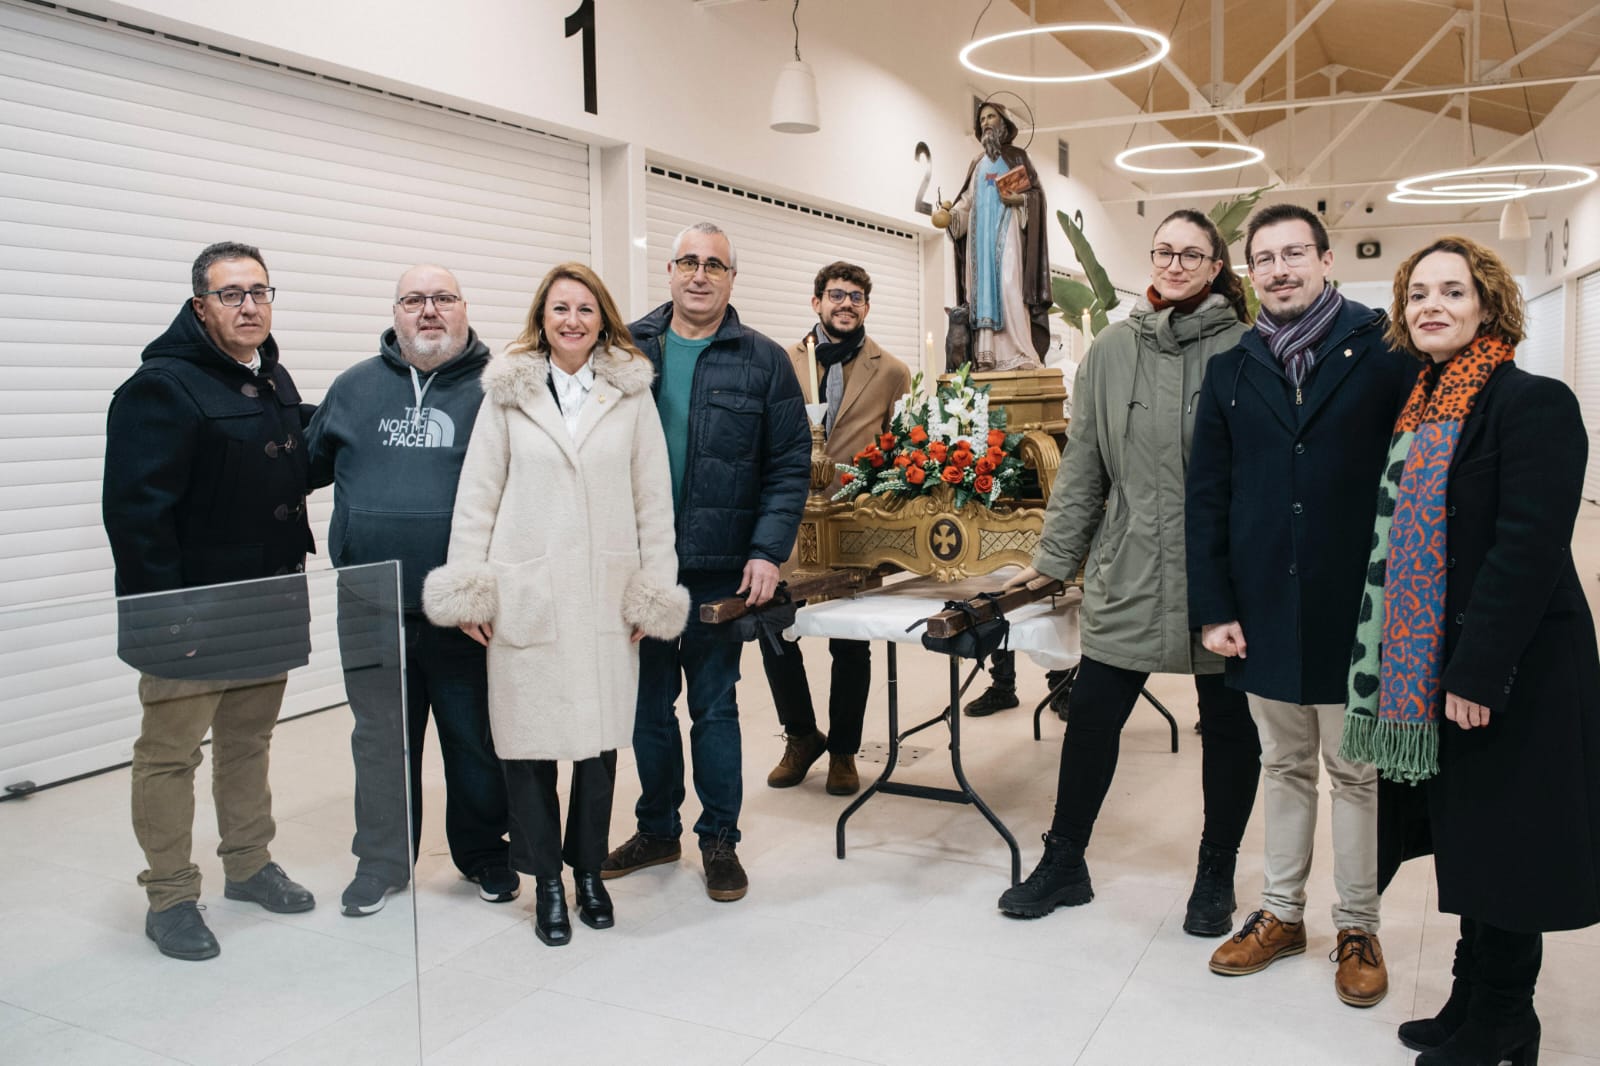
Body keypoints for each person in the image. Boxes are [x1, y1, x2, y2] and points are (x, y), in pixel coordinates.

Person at [1341, 236, 1600, 1064]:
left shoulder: (1534, 402)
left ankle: (1504, 1019)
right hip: (1443, 665)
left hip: (1516, 663)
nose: (1433, 306)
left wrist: (1479, 668)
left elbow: (1526, 548)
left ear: (1488, 303)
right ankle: (1471, 996)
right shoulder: (1425, 404)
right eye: (1419, 294)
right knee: (1477, 837)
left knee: (1511, 840)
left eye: (1453, 291)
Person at [992, 210, 1262, 940]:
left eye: (1192, 254)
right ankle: (1065, 859)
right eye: (1164, 251)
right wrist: (1051, 569)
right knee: (1093, 717)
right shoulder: (1111, 351)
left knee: (1231, 727)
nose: (1175, 265)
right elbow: (1083, 470)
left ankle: (1215, 872)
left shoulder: (1247, 351)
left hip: (1221, 577)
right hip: (1129, 564)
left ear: (1215, 267)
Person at [1186, 203, 1417, 1007]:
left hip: (1359, 606)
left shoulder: (1386, 352)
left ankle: (1358, 925)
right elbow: (1207, 495)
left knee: (1354, 771)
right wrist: (1213, 605)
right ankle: (1282, 915)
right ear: (1250, 271)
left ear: (1325, 260)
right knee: (1282, 764)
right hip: (1260, 604)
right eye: (1265, 258)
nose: (1280, 269)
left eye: (1295, 254)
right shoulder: (1232, 367)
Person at [422, 262, 687, 946]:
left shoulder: (630, 396)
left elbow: (652, 500)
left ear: (604, 320)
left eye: (586, 309)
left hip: (604, 592)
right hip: (527, 591)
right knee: (528, 746)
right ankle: (545, 881)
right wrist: (472, 583)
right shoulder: (507, 394)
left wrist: (649, 590)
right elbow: (477, 495)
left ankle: (589, 871)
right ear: (542, 317)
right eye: (560, 308)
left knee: (598, 747)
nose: (572, 320)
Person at [103, 241, 316, 961]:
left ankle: (249, 865)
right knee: (168, 756)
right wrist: (168, 617)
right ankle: (170, 896)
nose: (250, 305)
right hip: (194, 612)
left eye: (260, 291)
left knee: (247, 742)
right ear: (200, 307)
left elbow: (286, 461)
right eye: (232, 294)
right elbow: (136, 518)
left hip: (267, 600)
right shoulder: (161, 387)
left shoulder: (267, 375)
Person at [600, 221, 811, 902]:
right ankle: (657, 828)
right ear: (668, 270)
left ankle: (719, 840)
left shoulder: (764, 359)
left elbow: (788, 465)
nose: (699, 274)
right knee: (648, 709)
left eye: (714, 265)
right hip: (641, 565)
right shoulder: (625, 348)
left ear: (730, 279)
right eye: (688, 261)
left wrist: (767, 550)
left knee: (714, 707)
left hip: (722, 567)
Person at [306, 265, 516, 917]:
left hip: (462, 607)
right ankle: (382, 862)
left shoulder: (497, 388)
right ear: (396, 313)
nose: (429, 310)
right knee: (380, 738)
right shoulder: (353, 389)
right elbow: (302, 469)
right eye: (414, 300)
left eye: (443, 298)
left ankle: (485, 852)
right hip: (369, 604)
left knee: (472, 737)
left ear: (464, 309)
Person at [761, 261, 910, 796]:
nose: (845, 304)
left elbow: (903, 451)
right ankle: (801, 735)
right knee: (773, 627)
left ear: (867, 307)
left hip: (854, 523)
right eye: (835, 295)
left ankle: (845, 749)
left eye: (855, 297)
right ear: (816, 302)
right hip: (788, 518)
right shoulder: (780, 361)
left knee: (851, 641)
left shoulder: (891, 371)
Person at [936, 100, 1051, 370]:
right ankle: (985, 353)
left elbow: (1036, 197)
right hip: (980, 242)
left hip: (1008, 234)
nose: (986, 122)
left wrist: (1019, 201)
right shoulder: (976, 164)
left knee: (1010, 286)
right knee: (981, 291)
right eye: (983, 119)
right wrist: (951, 218)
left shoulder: (1018, 157)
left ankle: (1019, 351)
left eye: (991, 117)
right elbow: (967, 202)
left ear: (1004, 123)